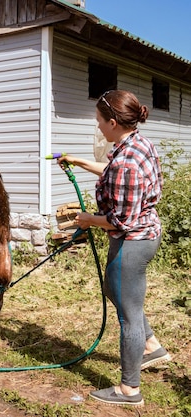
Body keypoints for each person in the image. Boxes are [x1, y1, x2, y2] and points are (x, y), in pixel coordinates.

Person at [58, 90, 171, 407]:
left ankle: (129, 390)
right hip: (145, 233)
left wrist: (87, 219)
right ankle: (151, 345)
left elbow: (119, 221)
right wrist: (79, 161)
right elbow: (112, 173)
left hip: (131, 241)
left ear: (112, 122)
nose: (97, 128)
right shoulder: (136, 144)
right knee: (116, 289)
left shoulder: (125, 164)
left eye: (98, 122)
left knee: (129, 316)